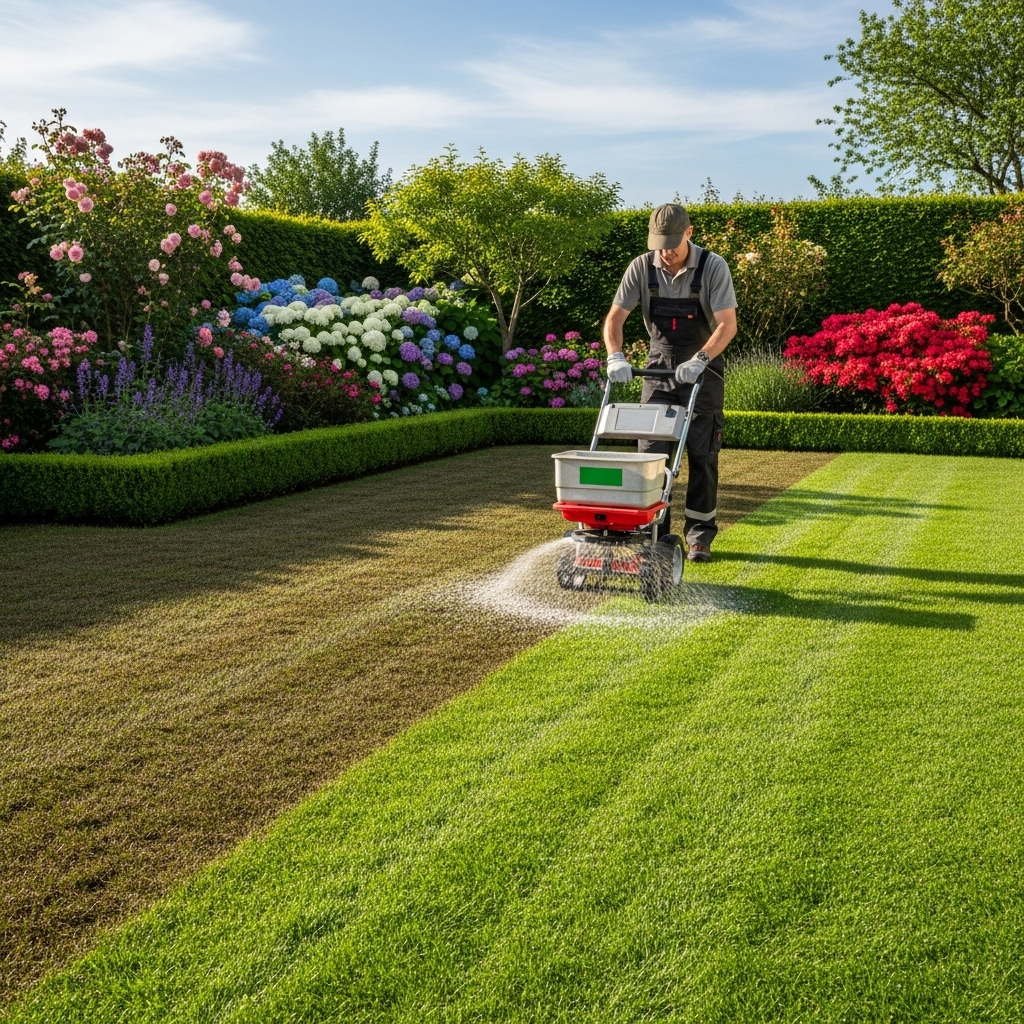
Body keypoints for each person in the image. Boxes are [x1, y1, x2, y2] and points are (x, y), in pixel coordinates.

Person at [603, 203, 737, 563]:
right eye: (659, 244)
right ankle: (655, 532)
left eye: (672, 243)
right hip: (659, 367)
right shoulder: (641, 268)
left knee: (702, 453)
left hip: (702, 370)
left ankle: (699, 537)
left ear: (689, 233)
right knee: (651, 456)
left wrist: (701, 360)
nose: (665, 251)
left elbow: (727, 324)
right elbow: (614, 319)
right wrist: (615, 355)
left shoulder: (713, 267)